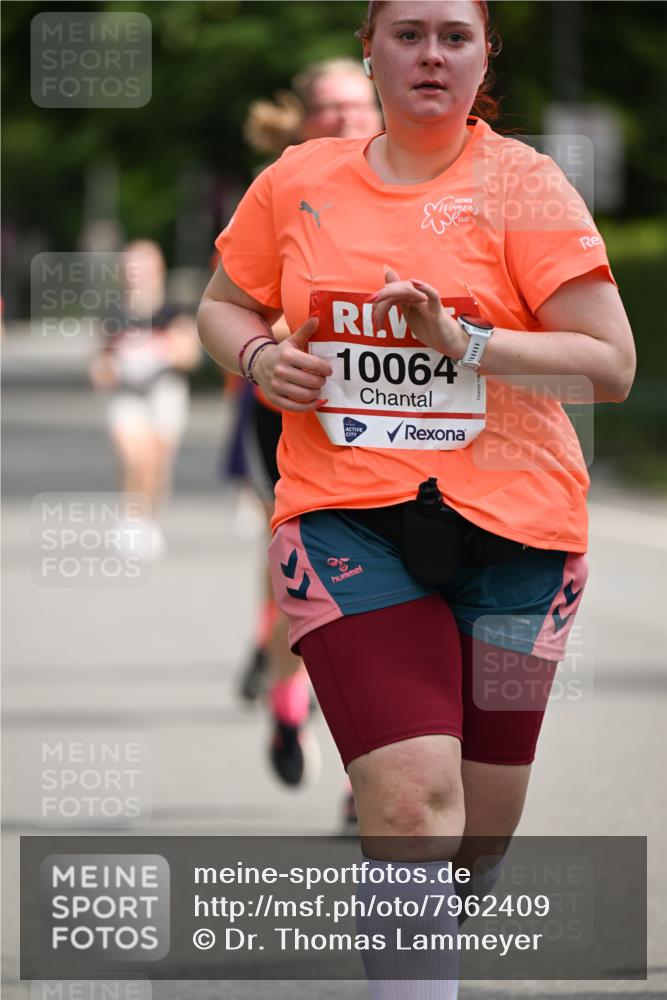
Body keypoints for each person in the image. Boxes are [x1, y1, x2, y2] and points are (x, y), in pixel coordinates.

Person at [199, 1, 635, 993]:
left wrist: (468, 342)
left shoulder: (524, 185)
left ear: (486, 58)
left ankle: (436, 920)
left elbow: (608, 365)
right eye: (406, 34)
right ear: (369, 50)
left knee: (476, 832)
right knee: (407, 808)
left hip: (520, 535)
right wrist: (262, 355)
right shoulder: (298, 181)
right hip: (344, 516)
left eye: (454, 35)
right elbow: (223, 308)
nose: (430, 55)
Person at [235, 59, 382, 798]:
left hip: (397, 421)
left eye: (358, 105)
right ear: (300, 120)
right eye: (327, 107)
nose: (345, 118)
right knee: (310, 575)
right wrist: (273, 346)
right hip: (286, 412)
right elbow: (229, 304)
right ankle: (289, 696)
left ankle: (374, 782)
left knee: (394, 588)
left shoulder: (417, 183)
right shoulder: (278, 190)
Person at [90, 240, 200, 557]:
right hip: (127, 395)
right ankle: (130, 519)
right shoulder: (114, 313)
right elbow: (100, 362)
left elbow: (189, 354)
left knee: (158, 462)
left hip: (165, 392)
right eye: (132, 268)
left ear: (158, 270)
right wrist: (108, 368)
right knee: (135, 456)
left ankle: (149, 520)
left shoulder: (172, 310)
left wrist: (165, 352)